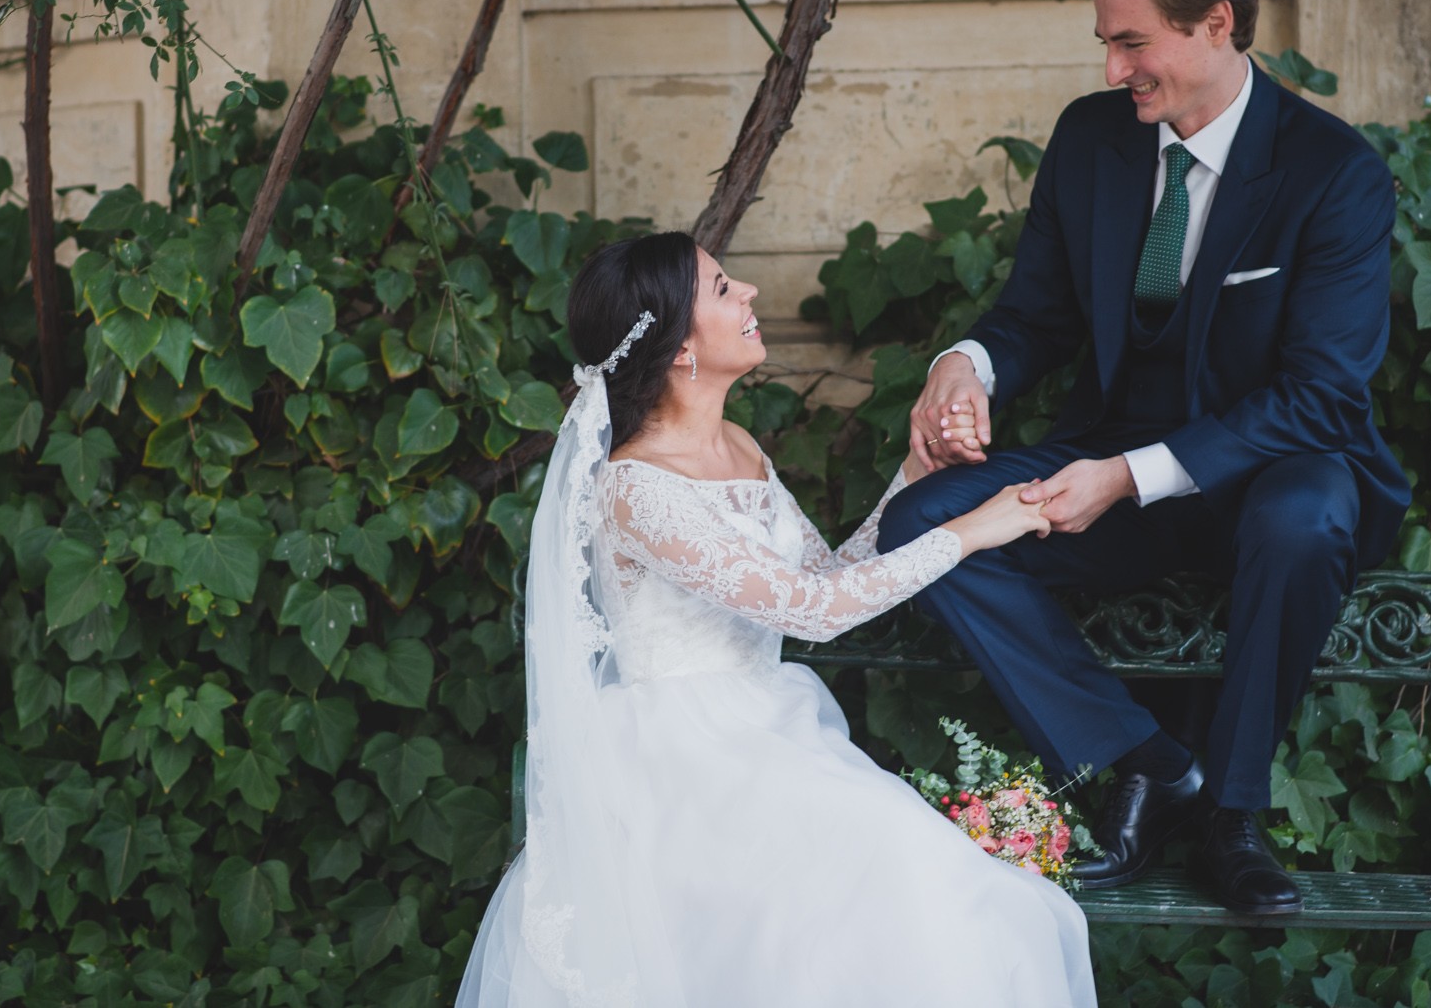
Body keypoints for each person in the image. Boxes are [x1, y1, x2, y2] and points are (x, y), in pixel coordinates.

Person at [878, 0, 1409, 917]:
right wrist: (963, 367)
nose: (1113, 68)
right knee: (921, 524)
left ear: (1216, 24)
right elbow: (1034, 314)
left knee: (1302, 516)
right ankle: (1149, 764)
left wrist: (1128, 476)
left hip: (1273, 474)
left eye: (1132, 42)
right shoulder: (1092, 140)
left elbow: (1321, 395)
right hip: (1107, 466)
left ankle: (1234, 819)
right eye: (1106, 42)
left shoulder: (1332, 173)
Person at [459, 231, 1096, 1008]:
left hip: (770, 728)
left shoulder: (739, 446)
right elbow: (815, 613)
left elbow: (823, 576)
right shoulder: (634, 487)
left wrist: (912, 477)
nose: (751, 293)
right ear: (679, 344)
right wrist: (972, 529)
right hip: (684, 765)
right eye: (723, 288)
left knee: (940, 892)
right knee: (895, 885)